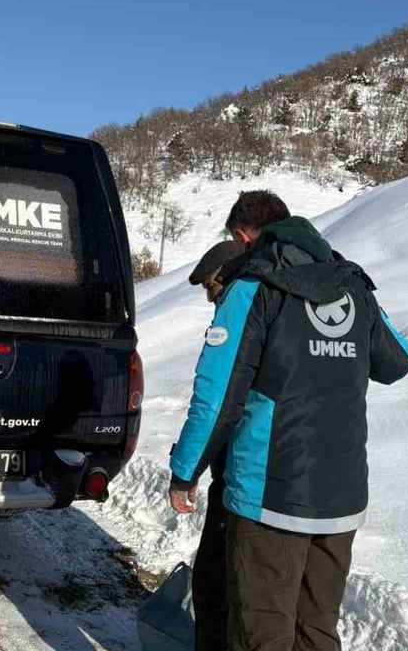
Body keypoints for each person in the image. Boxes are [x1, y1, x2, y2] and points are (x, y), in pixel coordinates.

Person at [169, 191, 408, 651]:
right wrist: (360, 303)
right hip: (340, 498)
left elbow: (217, 396)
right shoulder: (352, 286)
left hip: (270, 495)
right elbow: (399, 360)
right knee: (316, 632)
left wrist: (185, 472)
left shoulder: (253, 289)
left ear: (243, 237)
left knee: (261, 631)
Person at [175, 238, 244, 651]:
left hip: (244, 479)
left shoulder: (239, 315)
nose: (210, 297)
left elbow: (213, 403)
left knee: (215, 586)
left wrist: (185, 472)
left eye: (212, 287)